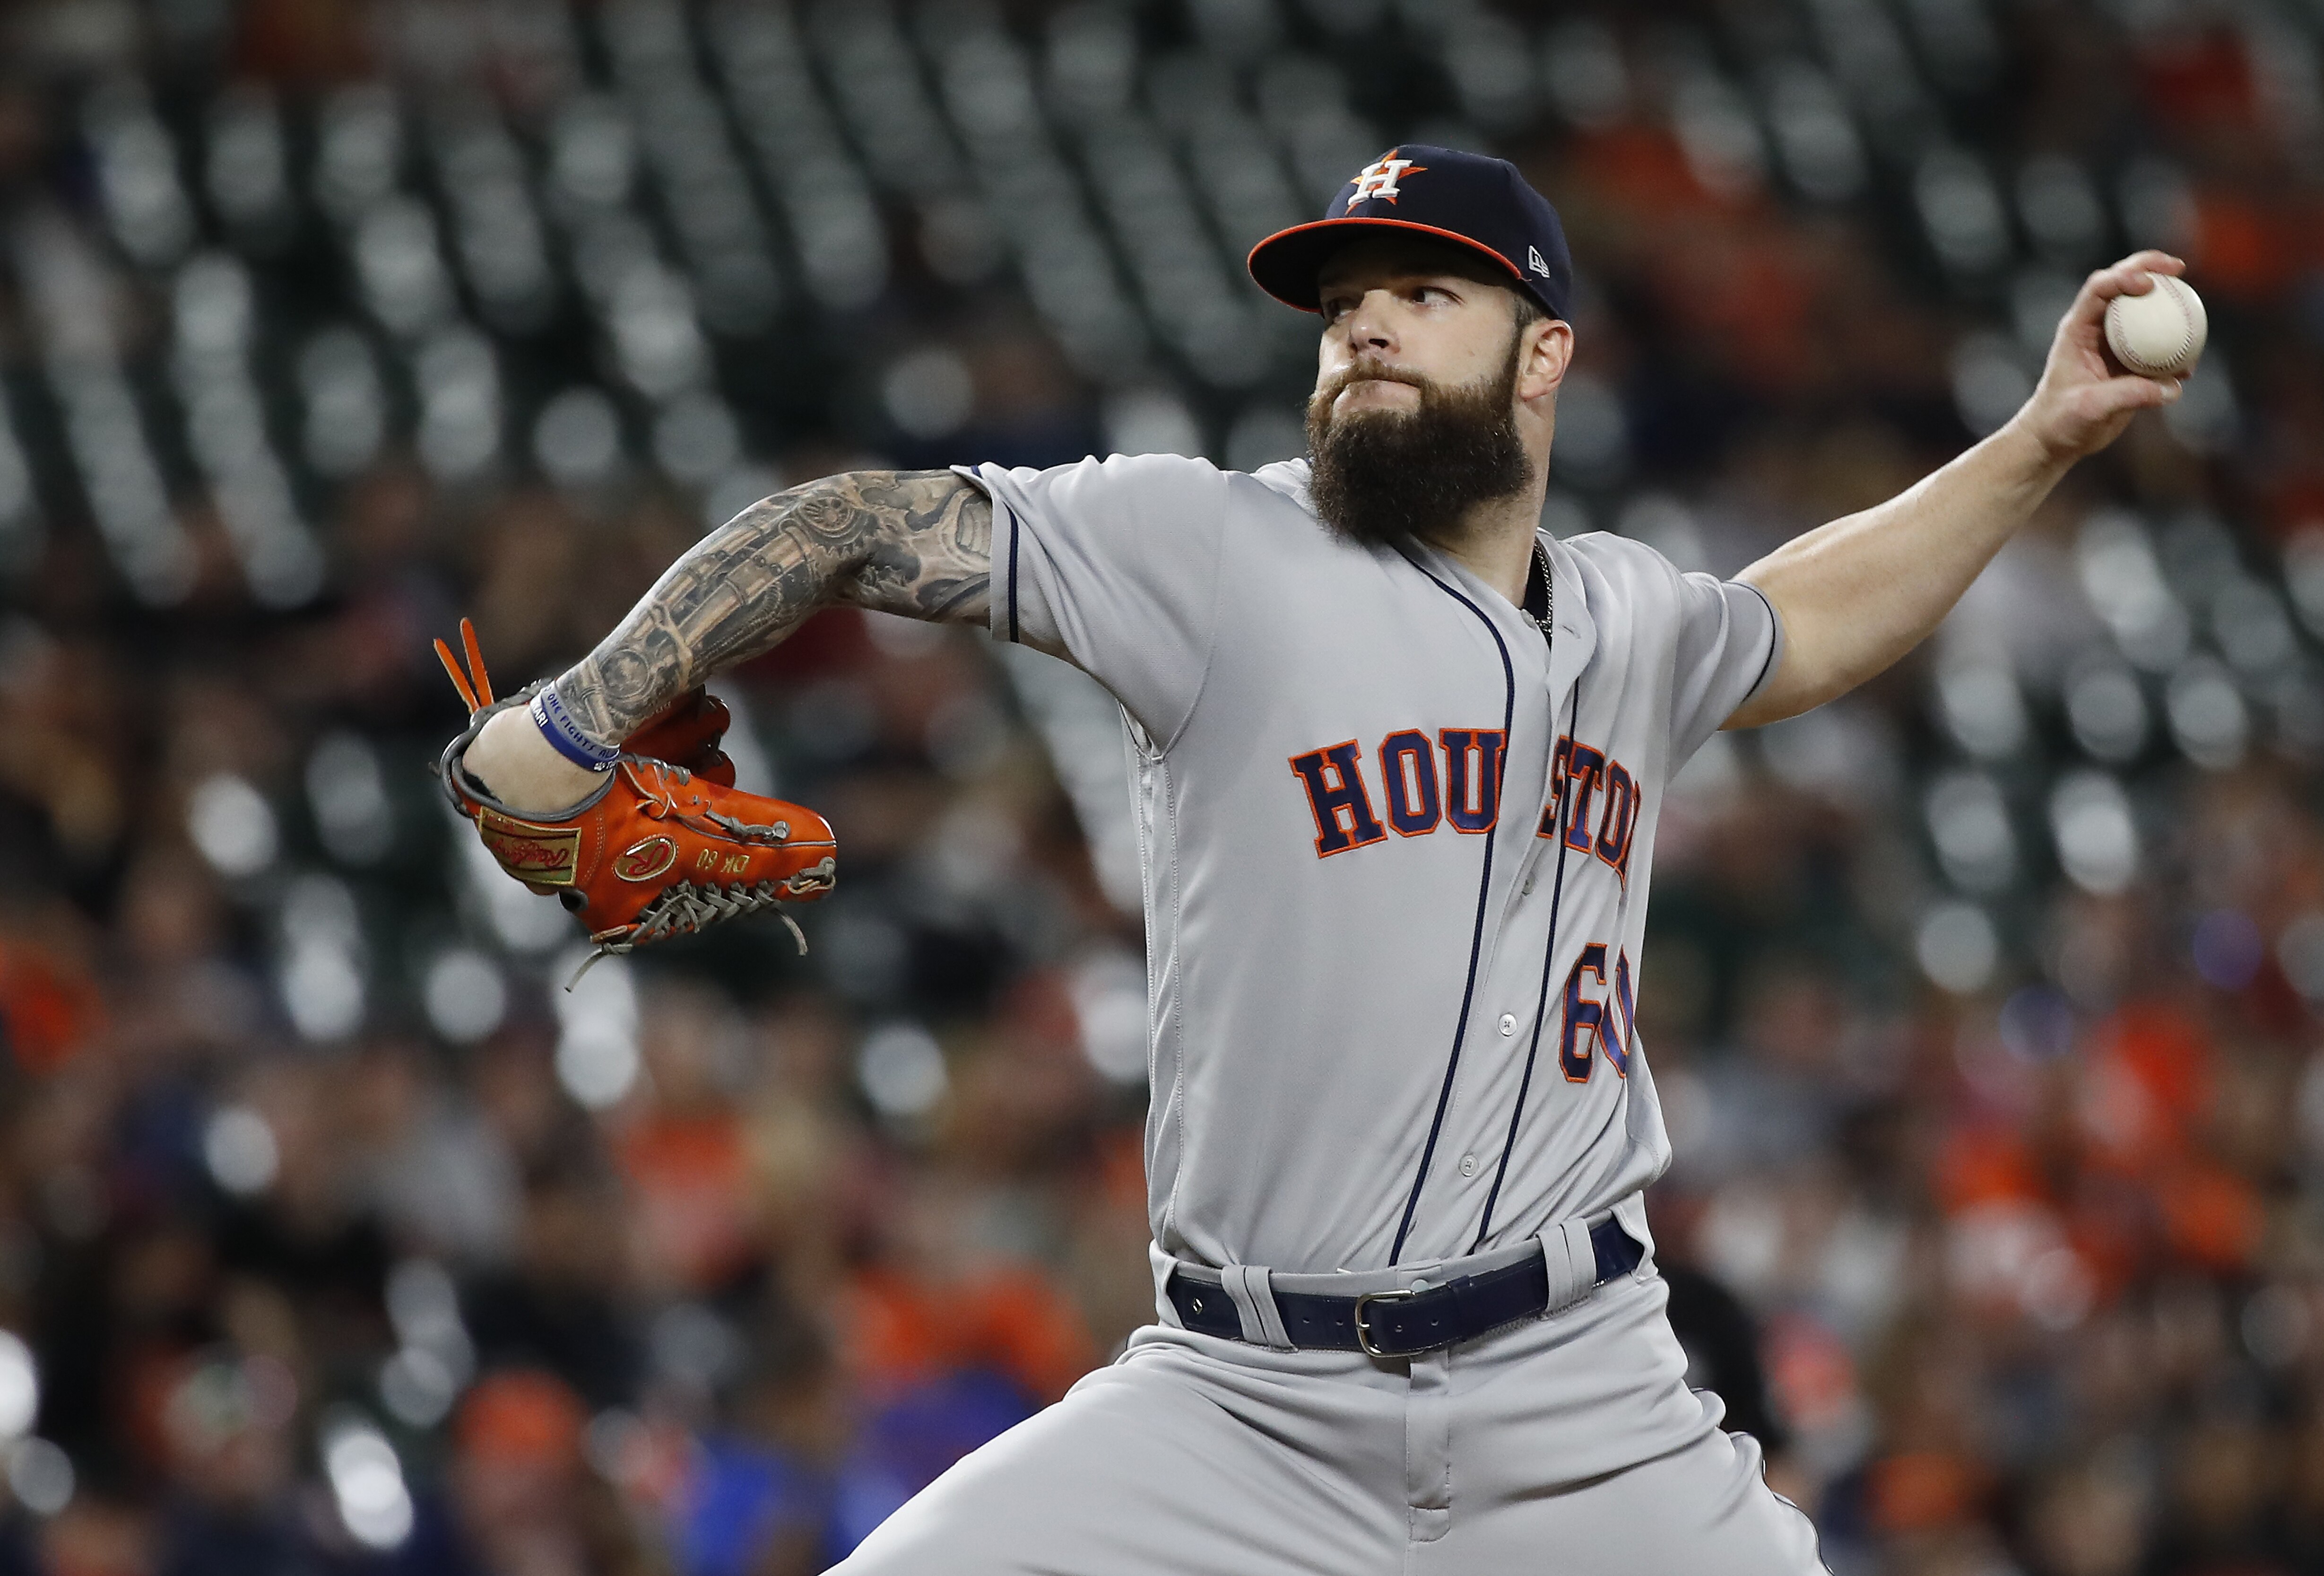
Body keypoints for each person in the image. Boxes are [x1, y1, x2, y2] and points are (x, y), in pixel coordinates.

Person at [451, 146, 2188, 1573]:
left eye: (1421, 295)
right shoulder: (1207, 549)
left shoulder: (1631, 621)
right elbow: (854, 529)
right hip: (1240, 1407)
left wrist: (2037, 440)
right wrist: (595, 702)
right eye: (1344, 306)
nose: (1363, 332)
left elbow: (1802, 622)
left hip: (1579, 1405)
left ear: (1541, 353)